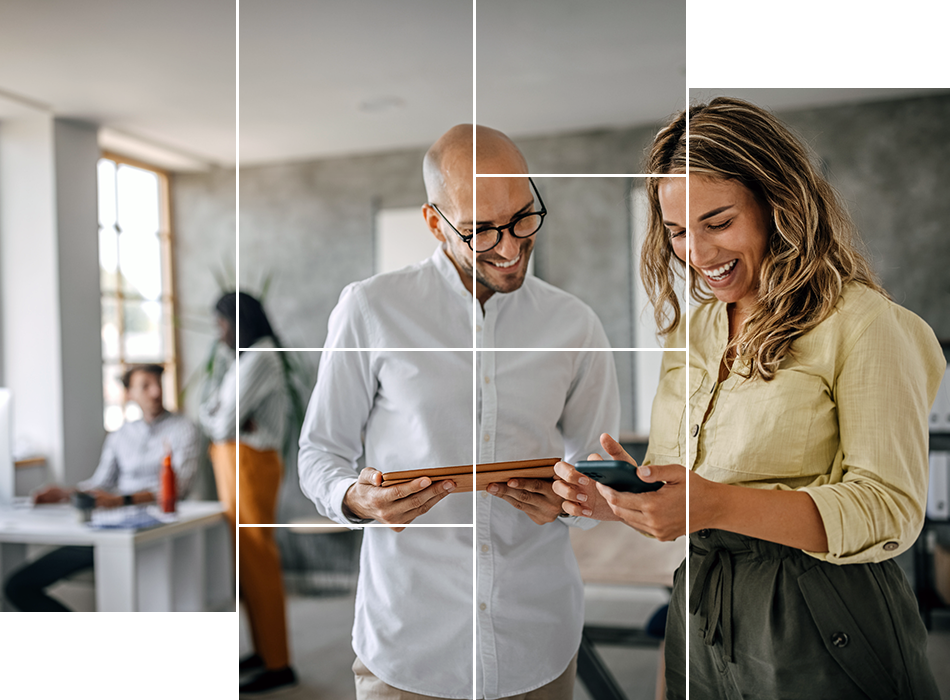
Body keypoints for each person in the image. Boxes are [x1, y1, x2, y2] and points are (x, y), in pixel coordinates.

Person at [564, 97, 945, 699]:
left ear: (779, 203)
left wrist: (714, 506)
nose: (698, 253)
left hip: (823, 615)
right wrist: (619, 500)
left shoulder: (863, 323)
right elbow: (689, 498)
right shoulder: (692, 333)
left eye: (718, 222)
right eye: (677, 231)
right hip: (702, 608)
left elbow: (889, 511)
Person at [298, 124, 620, 700]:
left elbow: (599, 465)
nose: (510, 244)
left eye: (524, 217)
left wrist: (574, 501)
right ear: (433, 222)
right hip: (409, 646)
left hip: (537, 641)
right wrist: (357, 498)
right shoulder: (371, 309)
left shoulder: (576, 325)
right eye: (480, 230)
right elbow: (321, 451)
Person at [3, 364, 202, 612]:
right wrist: (66, 493)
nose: (155, 392)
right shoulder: (120, 435)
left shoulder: (183, 429)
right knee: (18, 586)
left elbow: (179, 488)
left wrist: (122, 500)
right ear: (129, 393)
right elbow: (100, 483)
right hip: (110, 528)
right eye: (146, 386)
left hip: (154, 532)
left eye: (158, 384)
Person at [200, 292, 295, 695]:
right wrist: (218, 412)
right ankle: (263, 651)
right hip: (237, 464)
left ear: (239, 322)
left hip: (250, 466)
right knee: (245, 566)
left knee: (258, 561)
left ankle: (279, 663)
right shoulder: (243, 359)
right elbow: (217, 412)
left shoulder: (260, 358)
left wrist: (215, 413)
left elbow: (220, 423)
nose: (219, 332)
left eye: (223, 323)